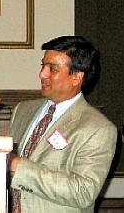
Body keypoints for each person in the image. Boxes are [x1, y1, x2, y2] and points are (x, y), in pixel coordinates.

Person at [8, 36, 117, 213]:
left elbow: (83, 192)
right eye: (43, 65)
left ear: (77, 77)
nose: (42, 74)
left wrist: (18, 167)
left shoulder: (99, 129)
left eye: (53, 69)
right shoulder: (23, 110)